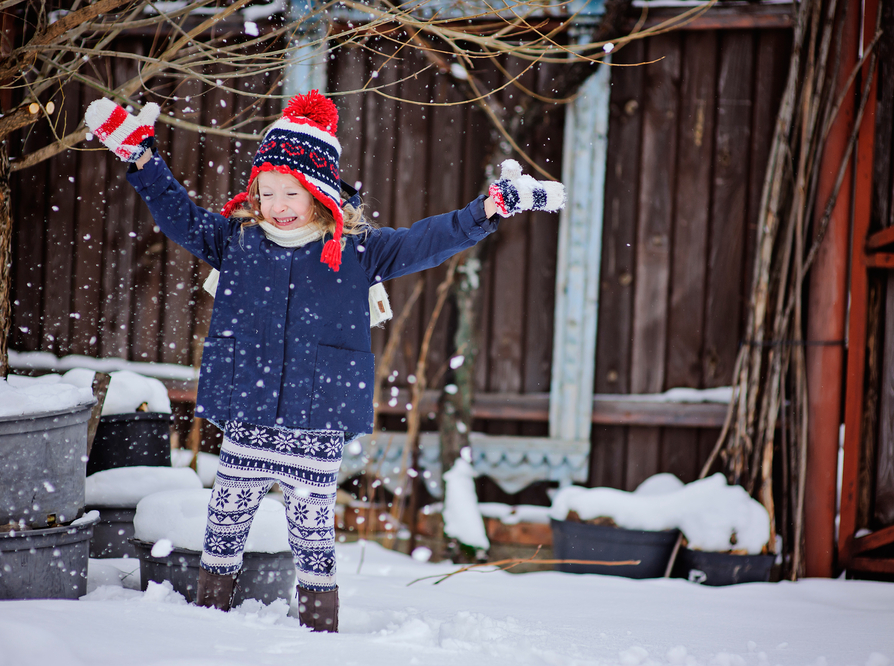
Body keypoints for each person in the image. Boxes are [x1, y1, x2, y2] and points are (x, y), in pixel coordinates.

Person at [84, 90, 564, 632]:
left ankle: (320, 632)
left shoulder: (358, 250)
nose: (279, 204)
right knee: (224, 523)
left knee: (312, 532)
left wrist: (488, 209)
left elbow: (428, 238)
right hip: (251, 410)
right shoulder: (237, 241)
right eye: (267, 191)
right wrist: (143, 159)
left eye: (292, 191)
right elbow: (180, 217)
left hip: (317, 421)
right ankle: (208, 621)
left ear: (319, 192)